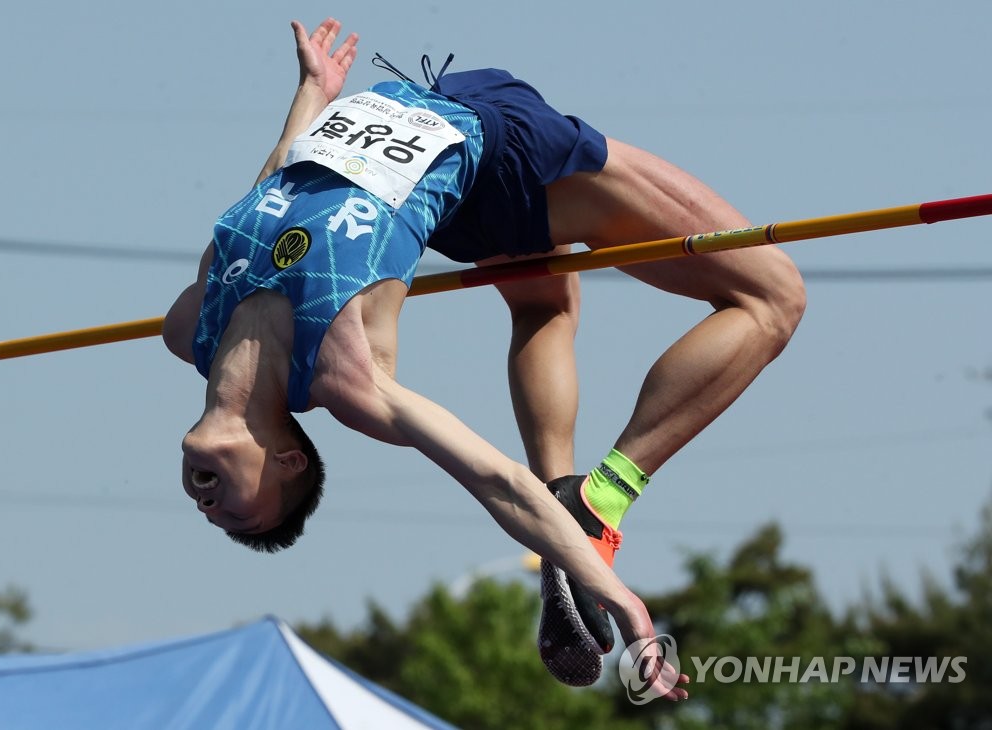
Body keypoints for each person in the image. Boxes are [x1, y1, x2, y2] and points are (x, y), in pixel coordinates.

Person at [162, 16, 805, 694]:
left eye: (216, 515)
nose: (211, 510)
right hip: (501, 152)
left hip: (449, 181)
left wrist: (313, 94)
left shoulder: (191, 325)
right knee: (772, 295)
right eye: (239, 511)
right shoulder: (348, 378)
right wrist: (628, 607)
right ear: (285, 460)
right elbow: (496, 483)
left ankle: (569, 499)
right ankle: (600, 500)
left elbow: (273, 187)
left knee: (545, 307)